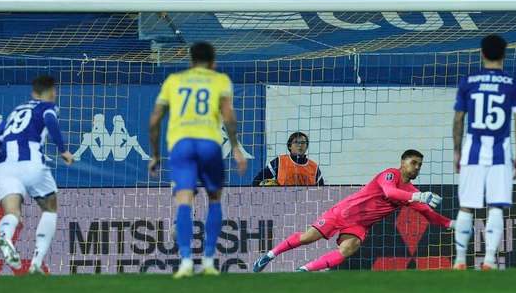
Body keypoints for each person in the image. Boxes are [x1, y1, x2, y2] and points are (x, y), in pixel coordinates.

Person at [253, 149, 452, 272]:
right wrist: (417, 196)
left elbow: (427, 214)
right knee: (308, 237)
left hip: (359, 225)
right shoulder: (390, 175)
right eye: (413, 163)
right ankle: (270, 255)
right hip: (344, 212)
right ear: (402, 163)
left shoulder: (412, 192)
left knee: (349, 248)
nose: (416, 168)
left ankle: (304, 270)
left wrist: (450, 223)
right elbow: (390, 193)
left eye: (419, 165)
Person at [148, 41, 247, 279]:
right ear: (213, 62)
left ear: (190, 61)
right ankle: (209, 261)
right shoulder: (220, 80)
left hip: (181, 145)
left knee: (184, 200)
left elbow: (154, 120)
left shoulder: (174, 80)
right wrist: (235, 148)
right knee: (214, 199)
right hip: (209, 144)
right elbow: (229, 116)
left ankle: (184, 262)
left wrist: (155, 155)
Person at [452, 34, 516, 271]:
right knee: (496, 205)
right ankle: (490, 260)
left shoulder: (468, 81)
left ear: (481, 53)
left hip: (473, 149)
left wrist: (456, 151)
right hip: (499, 150)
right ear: (504, 54)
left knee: (466, 206)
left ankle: (460, 260)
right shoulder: (512, 84)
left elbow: (459, 118)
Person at [0, 75, 74, 274]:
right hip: (31, 161)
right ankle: (36, 263)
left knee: (12, 212)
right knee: (50, 207)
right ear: (53, 93)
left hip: (3, 165)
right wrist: (63, 150)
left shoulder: (15, 111)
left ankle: (6, 236)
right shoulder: (47, 107)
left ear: (33, 92)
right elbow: (50, 121)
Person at [252, 131, 324, 186]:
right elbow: (257, 180)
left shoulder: (314, 167)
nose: (300, 145)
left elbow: (322, 191)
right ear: (289, 146)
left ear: (306, 146)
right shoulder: (280, 161)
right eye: (296, 142)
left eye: (303, 142)